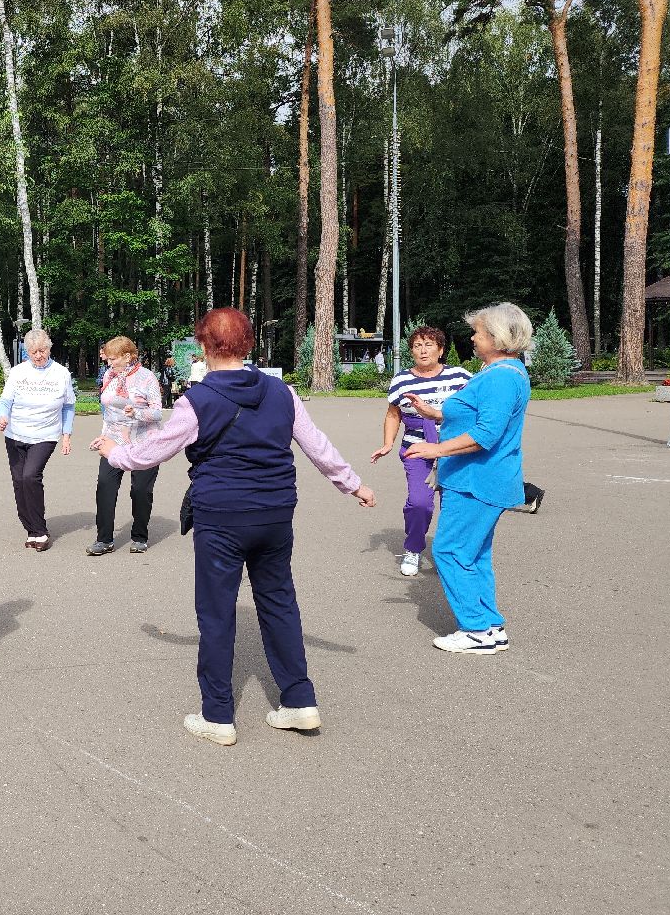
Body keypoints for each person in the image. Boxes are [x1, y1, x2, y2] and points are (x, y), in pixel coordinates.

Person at [93, 308, 375, 747]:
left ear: (204, 347)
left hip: (222, 515)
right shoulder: (282, 392)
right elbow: (316, 445)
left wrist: (115, 451)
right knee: (279, 602)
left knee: (217, 612)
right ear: (248, 345)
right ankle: (299, 701)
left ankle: (218, 714)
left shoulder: (197, 400)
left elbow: (151, 453)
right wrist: (352, 483)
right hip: (276, 512)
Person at [402, 303, 532, 655]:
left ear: (497, 337)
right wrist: (435, 412)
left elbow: (485, 434)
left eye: (478, 332)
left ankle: (475, 628)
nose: (473, 338)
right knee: (474, 554)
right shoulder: (499, 372)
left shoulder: (503, 376)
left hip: (477, 480)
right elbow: (476, 414)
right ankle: (489, 626)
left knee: (449, 550)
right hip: (474, 478)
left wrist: (435, 450)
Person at [369, 327, 471, 578]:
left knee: (454, 505)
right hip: (416, 449)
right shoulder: (401, 380)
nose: (423, 350)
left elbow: (473, 409)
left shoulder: (460, 376)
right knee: (420, 503)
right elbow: (394, 414)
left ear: (441, 349)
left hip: (454, 449)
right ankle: (413, 548)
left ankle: (451, 554)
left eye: (428, 344)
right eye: (417, 346)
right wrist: (388, 442)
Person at [0, 329, 75, 551]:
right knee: (19, 481)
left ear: (49, 348)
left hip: (45, 435)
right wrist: (1, 416)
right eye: (33, 352)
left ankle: (40, 531)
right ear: (26, 352)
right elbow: (4, 402)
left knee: (30, 476)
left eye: (42, 350)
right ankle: (30, 528)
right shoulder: (18, 372)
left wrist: (66, 436)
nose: (38, 355)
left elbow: (68, 406)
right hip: (15, 434)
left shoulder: (61, 373)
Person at [87, 336, 163, 556]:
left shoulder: (147, 377)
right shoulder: (109, 376)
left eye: (113, 359)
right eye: (108, 358)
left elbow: (158, 411)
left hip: (144, 441)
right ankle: (104, 540)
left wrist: (138, 412)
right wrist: (102, 436)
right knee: (105, 486)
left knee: (140, 490)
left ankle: (139, 537)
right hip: (115, 441)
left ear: (127, 356)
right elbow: (108, 412)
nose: (109, 363)